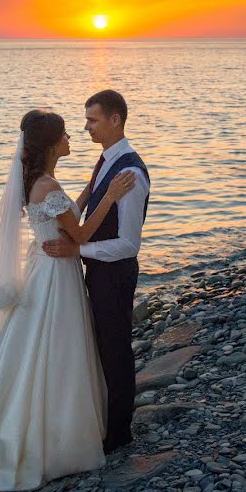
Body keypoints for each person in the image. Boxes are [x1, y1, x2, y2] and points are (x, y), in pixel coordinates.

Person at [0, 109, 135, 492]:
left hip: (45, 267)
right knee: (57, 348)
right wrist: (110, 196)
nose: (72, 138)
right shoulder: (48, 188)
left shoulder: (40, 183)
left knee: (29, 348)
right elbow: (83, 233)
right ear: (52, 143)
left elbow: (66, 214)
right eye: (66, 134)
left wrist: (91, 188)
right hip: (57, 276)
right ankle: (52, 439)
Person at [43, 90, 150, 454]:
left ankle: (120, 433)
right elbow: (88, 203)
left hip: (116, 275)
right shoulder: (106, 160)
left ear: (114, 120)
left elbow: (128, 245)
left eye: (92, 120)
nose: (85, 126)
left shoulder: (131, 173)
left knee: (116, 350)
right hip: (100, 272)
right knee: (102, 348)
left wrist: (78, 249)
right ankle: (105, 420)